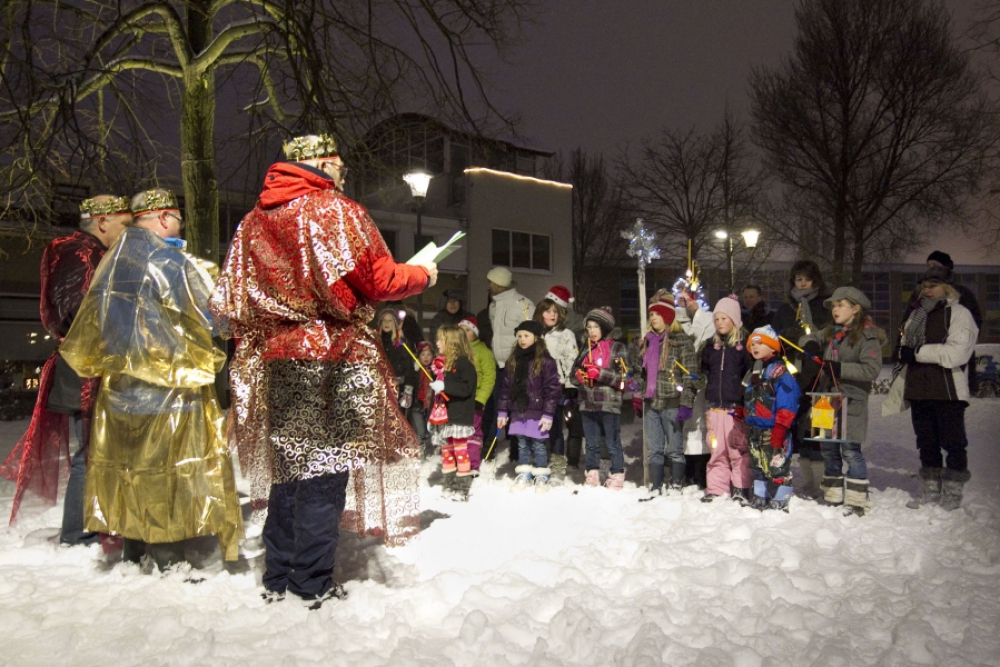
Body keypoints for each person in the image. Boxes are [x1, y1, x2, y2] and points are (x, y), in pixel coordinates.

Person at [209, 134, 437, 607]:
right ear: (324, 164)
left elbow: (229, 299)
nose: (344, 176)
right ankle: (310, 580)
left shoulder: (254, 221)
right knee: (325, 471)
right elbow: (378, 279)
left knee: (289, 469)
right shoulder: (336, 211)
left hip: (278, 359)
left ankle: (278, 573)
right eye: (341, 167)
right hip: (334, 356)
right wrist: (422, 275)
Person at [58, 188, 242, 569]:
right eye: (176, 219)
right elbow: (219, 318)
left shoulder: (114, 261)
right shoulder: (173, 262)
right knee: (165, 472)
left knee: (130, 469)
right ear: (161, 218)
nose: (179, 226)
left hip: (121, 391)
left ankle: (134, 551)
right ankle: (168, 558)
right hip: (169, 389)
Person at [1, 195, 131, 543]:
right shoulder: (79, 255)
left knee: (97, 451)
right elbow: (81, 311)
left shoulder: (86, 253)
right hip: (86, 368)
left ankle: (91, 526)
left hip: (90, 364)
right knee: (89, 453)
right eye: (124, 223)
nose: (127, 231)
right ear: (103, 221)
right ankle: (79, 533)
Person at [898, 265, 978, 511]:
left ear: (947, 288)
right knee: (926, 441)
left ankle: (953, 489)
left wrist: (918, 352)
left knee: (953, 442)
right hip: (919, 388)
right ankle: (931, 487)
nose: (927, 290)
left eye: (933, 285)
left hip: (948, 391)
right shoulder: (917, 314)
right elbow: (904, 343)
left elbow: (957, 353)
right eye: (924, 285)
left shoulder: (960, 314)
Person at [800, 287, 883, 516]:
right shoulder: (831, 332)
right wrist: (810, 343)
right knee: (827, 447)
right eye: (833, 306)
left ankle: (856, 499)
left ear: (855, 309)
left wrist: (840, 368)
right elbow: (808, 336)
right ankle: (833, 494)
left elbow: (871, 369)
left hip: (850, 399)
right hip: (825, 399)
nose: (835, 309)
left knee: (850, 449)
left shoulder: (867, 335)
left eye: (840, 305)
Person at [771, 260, 831, 498]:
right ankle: (808, 481)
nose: (803, 283)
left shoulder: (824, 306)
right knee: (797, 432)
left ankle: (821, 483)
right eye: (798, 279)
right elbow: (773, 339)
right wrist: (788, 335)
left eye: (807, 278)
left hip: (818, 376)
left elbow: (829, 336)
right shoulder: (786, 309)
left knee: (817, 428)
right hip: (791, 376)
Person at [635, 293, 698, 499]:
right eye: (651, 314)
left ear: (668, 316)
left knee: (674, 448)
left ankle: (676, 485)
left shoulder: (680, 341)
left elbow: (690, 374)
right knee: (654, 448)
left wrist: (686, 402)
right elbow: (641, 373)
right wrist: (638, 390)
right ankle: (655, 485)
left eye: (658, 314)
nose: (653, 318)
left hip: (672, 402)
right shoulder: (647, 342)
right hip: (652, 403)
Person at [700, 295, 754, 504]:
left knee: (738, 451)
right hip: (715, 409)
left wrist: (745, 390)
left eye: (724, 318)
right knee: (717, 451)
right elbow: (704, 368)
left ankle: (741, 487)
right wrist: (703, 379)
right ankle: (716, 488)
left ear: (734, 320)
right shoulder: (710, 347)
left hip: (735, 410)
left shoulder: (743, 348)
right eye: (717, 319)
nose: (720, 323)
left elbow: (750, 372)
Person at [742, 325, 802, 512]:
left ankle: (781, 495)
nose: (754, 347)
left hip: (774, 429)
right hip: (755, 428)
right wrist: (743, 412)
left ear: (773, 347)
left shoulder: (779, 372)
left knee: (777, 465)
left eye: (759, 343)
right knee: (758, 464)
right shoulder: (753, 371)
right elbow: (750, 396)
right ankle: (760, 495)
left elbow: (788, 401)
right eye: (752, 344)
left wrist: (781, 427)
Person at [497, 320, 561, 492]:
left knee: (539, 444)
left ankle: (541, 474)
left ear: (536, 338)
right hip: (519, 409)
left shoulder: (546, 361)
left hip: (538, 410)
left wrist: (548, 414)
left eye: (526, 336)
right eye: (519, 336)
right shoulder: (513, 360)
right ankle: (524, 472)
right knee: (522, 444)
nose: (522, 339)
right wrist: (503, 411)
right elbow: (506, 389)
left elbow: (552, 389)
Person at [905, 251, 982, 392]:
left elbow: (972, 327)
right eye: (928, 265)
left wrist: (918, 352)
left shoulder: (962, 300)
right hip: (920, 380)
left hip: (949, 378)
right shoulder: (918, 301)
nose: (930, 268)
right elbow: (906, 326)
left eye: (935, 264)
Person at [482, 266, 535, 462]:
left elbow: (532, 332)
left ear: (499, 283)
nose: (488, 285)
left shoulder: (523, 304)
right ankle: (489, 447)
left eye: (491, 282)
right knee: (496, 405)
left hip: (517, 363)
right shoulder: (494, 305)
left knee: (517, 407)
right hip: (498, 363)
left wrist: (524, 359)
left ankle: (516, 449)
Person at [571, 307, 627, 490]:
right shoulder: (585, 348)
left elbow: (624, 377)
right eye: (589, 327)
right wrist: (579, 376)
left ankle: (617, 473)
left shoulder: (617, 347)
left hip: (609, 403)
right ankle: (592, 473)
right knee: (591, 443)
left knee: (612, 442)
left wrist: (600, 373)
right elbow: (573, 374)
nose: (592, 331)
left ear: (604, 328)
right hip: (587, 403)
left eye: (596, 327)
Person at [533, 297, 580, 480]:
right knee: (537, 426)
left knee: (555, 426)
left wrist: (570, 384)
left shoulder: (566, 333)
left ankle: (558, 464)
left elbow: (571, 359)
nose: (552, 315)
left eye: (555, 311)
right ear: (540, 314)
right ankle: (540, 461)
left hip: (556, 385)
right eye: (548, 311)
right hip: (536, 387)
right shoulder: (536, 333)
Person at [428, 325, 478, 491]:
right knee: (446, 450)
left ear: (452, 343)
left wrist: (444, 385)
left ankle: (463, 485)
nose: (436, 343)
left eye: (440, 340)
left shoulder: (465, 365)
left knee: (460, 450)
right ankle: (449, 483)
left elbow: (466, 389)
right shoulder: (443, 365)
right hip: (445, 416)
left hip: (459, 415)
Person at [454, 316, 495, 498]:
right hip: (457, 400)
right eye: (460, 331)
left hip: (474, 400)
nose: (464, 334)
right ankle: (458, 462)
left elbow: (488, 377)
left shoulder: (483, 352)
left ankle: (472, 464)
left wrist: (481, 398)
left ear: (475, 333)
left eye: (467, 331)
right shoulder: (454, 352)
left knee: (472, 433)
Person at [376, 308, 418, 414]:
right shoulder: (376, 342)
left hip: (397, 388)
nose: (386, 323)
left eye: (390, 320)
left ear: (395, 323)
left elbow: (408, 366)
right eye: (384, 320)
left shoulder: (400, 343)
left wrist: (408, 389)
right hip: (378, 387)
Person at [410, 341, 435, 456]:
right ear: (418, 356)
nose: (426, 357)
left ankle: (431, 448)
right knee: (420, 430)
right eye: (423, 355)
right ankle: (420, 451)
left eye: (428, 354)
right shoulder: (415, 370)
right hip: (417, 404)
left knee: (428, 430)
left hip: (431, 404)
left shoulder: (436, 370)